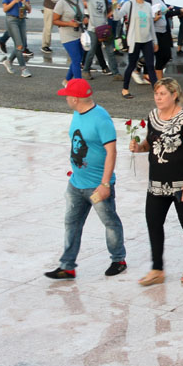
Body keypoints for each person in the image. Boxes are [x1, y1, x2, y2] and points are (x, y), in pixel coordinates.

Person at [44, 79, 127, 279]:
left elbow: (111, 152)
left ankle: (119, 259)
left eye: (67, 96)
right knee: (71, 223)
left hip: (97, 186)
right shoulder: (77, 113)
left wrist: (105, 183)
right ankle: (67, 266)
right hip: (76, 183)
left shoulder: (101, 119)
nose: (65, 99)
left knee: (110, 222)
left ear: (75, 98)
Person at [129, 79, 183, 286]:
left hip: (181, 184)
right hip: (157, 184)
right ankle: (157, 268)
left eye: (162, 94)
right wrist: (139, 148)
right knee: (153, 223)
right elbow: (150, 143)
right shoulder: (153, 116)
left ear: (174, 95)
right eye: (156, 94)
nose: (158, 98)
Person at [120, 0, 157, 99]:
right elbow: (117, 16)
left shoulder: (147, 5)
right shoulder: (129, 4)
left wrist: (155, 41)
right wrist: (115, 4)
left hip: (147, 39)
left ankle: (156, 89)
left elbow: (151, 24)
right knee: (131, 65)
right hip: (135, 39)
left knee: (151, 65)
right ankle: (125, 89)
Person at [52, 0, 87, 85]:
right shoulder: (61, 3)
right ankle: (78, 85)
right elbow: (54, 20)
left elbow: (81, 14)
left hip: (79, 33)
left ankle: (67, 80)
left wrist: (85, 18)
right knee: (76, 60)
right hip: (67, 35)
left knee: (78, 59)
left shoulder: (79, 1)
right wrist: (69, 24)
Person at [1, 0, 32, 78]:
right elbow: (5, 8)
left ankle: (9, 61)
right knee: (19, 45)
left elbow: (29, 8)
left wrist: (24, 2)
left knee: (21, 45)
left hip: (22, 19)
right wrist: (14, 1)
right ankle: (23, 68)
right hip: (12, 19)